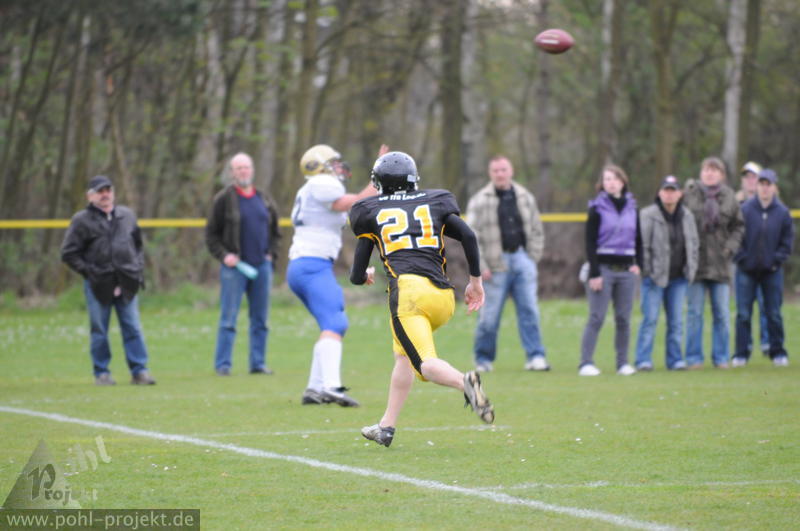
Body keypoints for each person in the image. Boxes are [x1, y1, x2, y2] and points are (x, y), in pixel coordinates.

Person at [349, 151, 494, 447]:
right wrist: (475, 282)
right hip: (443, 296)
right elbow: (468, 236)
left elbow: (355, 275)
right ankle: (386, 426)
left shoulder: (370, 210)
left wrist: (365, 275)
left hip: (408, 295)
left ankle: (464, 383)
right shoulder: (434, 202)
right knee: (403, 356)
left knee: (425, 366)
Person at [287, 144, 382, 407]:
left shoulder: (312, 189)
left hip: (307, 265)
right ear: (320, 167)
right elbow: (353, 202)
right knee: (336, 323)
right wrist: (378, 176)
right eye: (333, 163)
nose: (339, 167)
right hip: (311, 265)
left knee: (332, 320)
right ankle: (331, 387)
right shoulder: (321, 183)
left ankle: (315, 388)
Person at [61, 175, 156, 385]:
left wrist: (136, 270)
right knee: (99, 330)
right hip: (98, 284)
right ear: (90, 196)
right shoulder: (81, 220)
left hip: (126, 281)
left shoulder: (127, 215)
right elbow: (68, 253)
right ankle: (101, 373)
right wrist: (90, 272)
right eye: (100, 191)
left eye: (108, 190)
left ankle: (140, 371)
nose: (105, 195)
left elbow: (138, 247)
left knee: (133, 328)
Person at [465, 156, 549, 373]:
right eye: (496, 170)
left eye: (503, 169)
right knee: (489, 316)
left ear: (511, 171)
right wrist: (481, 265)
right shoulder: (479, 200)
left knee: (529, 311)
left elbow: (537, 228)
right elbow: (471, 236)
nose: (500, 174)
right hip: (494, 266)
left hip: (522, 259)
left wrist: (532, 257)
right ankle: (483, 359)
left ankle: (536, 356)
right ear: (490, 173)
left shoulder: (524, 196)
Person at [206, 152, 280, 376]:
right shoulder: (223, 200)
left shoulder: (264, 198)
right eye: (238, 168)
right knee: (228, 319)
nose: (243, 171)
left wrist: (271, 254)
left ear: (252, 170)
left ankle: (258, 363)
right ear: (232, 173)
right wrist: (224, 255)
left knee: (260, 320)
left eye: (246, 167)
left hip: (261, 267)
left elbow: (276, 232)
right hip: (235, 268)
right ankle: (223, 365)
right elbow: (211, 235)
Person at [578, 164, 642, 376]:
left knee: (623, 319)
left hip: (626, 271)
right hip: (603, 270)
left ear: (622, 182)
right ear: (602, 184)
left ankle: (623, 363)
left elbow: (638, 239)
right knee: (596, 317)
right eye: (607, 179)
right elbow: (589, 242)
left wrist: (638, 263)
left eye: (615, 179)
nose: (611, 183)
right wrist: (595, 273)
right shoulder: (597, 208)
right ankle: (586, 363)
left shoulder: (633, 207)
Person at [682, 157, 744, 369]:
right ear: (701, 173)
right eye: (706, 170)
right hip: (696, 266)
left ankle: (721, 358)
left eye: (714, 170)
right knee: (694, 314)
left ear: (722, 175)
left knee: (722, 315)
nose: (710, 173)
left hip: (721, 265)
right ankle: (694, 358)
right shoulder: (689, 195)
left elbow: (739, 227)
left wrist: (729, 248)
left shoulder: (730, 197)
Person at [634, 176, 699, 371]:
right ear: (660, 193)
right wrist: (647, 271)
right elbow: (643, 245)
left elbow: (694, 244)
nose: (669, 194)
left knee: (676, 322)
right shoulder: (648, 215)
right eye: (666, 190)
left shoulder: (687, 216)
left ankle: (675, 360)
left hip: (679, 278)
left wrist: (691, 268)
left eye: (673, 190)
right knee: (650, 319)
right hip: (654, 278)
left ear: (679, 194)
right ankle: (643, 359)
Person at [733, 168, 794, 367]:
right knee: (743, 313)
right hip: (746, 270)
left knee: (773, 313)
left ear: (774, 187)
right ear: (757, 186)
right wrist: (742, 259)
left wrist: (776, 261)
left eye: (768, 184)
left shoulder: (782, 213)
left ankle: (778, 352)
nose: (765, 188)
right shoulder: (745, 209)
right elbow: (735, 237)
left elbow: (786, 243)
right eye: (761, 184)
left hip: (772, 272)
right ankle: (741, 353)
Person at [735, 161, 770, 355]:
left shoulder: (770, 201)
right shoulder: (735, 202)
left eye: (754, 177)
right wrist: (740, 257)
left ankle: (767, 343)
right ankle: (744, 345)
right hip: (744, 264)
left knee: (767, 307)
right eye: (746, 177)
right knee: (743, 310)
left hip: (766, 266)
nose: (750, 180)